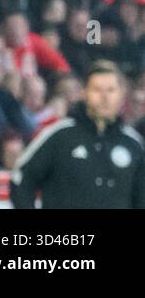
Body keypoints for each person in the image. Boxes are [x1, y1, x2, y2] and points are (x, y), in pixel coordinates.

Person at [10, 60, 145, 208]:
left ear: (122, 95)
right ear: (84, 93)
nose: (104, 97)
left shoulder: (134, 144)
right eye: (97, 90)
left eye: (111, 90)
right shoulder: (59, 136)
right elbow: (20, 179)